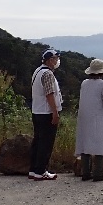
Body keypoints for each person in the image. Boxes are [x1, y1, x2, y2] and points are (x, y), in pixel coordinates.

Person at [75, 58, 103, 182]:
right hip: (98, 116)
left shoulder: (84, 83)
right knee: (99, 143)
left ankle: (86, 172)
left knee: (85, 142)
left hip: (84, 116)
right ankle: (99, 173)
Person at [30, 49, 63, 180]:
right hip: (46, 112)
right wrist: (55, 112)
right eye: (56, 58)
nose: (57, 61)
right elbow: (49, 94)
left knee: (37, 141)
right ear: (50, 60)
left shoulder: (37, 71)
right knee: (46, 143)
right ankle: (41, 171)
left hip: (37, 111)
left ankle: (33, 169)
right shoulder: (48, 74)